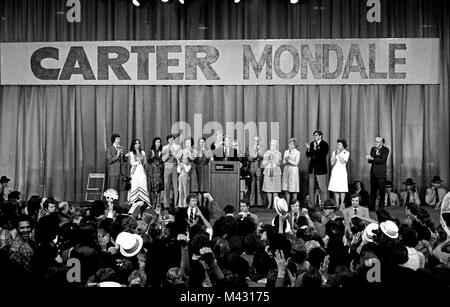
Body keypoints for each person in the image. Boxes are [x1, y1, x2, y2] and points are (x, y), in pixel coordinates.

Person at [305, 130, 329, 207]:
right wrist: (309, 149)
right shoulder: (312, 143)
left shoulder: (324, 144)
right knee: (311, 187)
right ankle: (312, 204)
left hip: (321, 168)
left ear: (320, 136)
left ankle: (324, 204)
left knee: (322, 188)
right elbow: (308, 155)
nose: (314, 137)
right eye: (314, 135)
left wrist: (315, 149)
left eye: (316, 135)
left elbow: (322, 155)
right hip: (312, 168)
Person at [366, 137, 389, 211]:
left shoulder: (385, 150)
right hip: (373, 173)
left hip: (381, 174)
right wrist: (369, 158)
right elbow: (370, 161)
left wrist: (372, 158)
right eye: (375, 141)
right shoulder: (373, 149)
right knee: (373, 192)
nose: (376, 143)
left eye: (378, 142)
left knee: (381, 193)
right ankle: (371, 207)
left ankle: (381, 208)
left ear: (382, 143)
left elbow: (382, 160)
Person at [328, 139, 350, 211]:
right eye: (337, 144)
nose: (338, 146)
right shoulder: (334, 152)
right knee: (335, 188)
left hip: (342, 172)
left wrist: (339, 155)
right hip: (335, 171)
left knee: (342, 189)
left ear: (343, 145)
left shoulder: (346, 153)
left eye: (339, 144)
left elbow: (343, 162)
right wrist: (334, 156)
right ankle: (337, 204)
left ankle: (341, 204)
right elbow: (332, 163)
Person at [126, 139, 150, 205]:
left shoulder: (142, 152)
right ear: (133, 145)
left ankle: (143, 201)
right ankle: (133, 201)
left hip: (141, 170)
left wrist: (144, 160)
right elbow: (132, 163)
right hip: (135, 170)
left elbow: (145, 162)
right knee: (134, 184)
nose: (138, 145)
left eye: (139, 143)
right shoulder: (131, 153)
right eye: (136, 143)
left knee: (142, 183)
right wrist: (139, 162)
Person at [262, 140, 282, 210]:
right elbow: (263, 163)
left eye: (274, 145)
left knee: (275, 189)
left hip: (276, 171)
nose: (272, 146)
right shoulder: (266, 153)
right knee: (268, 189)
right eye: (271, 145)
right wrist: (268, 160)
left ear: (276, 146)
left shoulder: (279, 153)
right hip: (268, 171)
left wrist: (274, 156)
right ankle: (269, 203)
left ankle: (274, 204)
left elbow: (278, 163)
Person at [246, 136, 265, 207]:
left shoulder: (262, 147)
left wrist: (258, 154)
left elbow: (263, 156)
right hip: (251, 168)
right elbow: (248, 157)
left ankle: (260, 203)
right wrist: (253, 157)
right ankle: (251, 202)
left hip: (259, 167)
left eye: (257, 141)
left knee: (259, 185)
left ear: (259, 141)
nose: (256, 142)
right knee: (252, 185)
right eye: (255, 140)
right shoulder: (250, 147)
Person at [162, 135, 180, 208]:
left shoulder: (177, 147)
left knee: (176, 186)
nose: (171, 140)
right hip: (167, 166)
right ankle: (166, 204)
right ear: (167, 140)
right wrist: (167, 153)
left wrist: (173, 152)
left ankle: (176, 204)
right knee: (166, 185)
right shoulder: (164, 147)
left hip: (175, 166)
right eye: (170, 139)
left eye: (172, 139)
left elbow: (178, 157)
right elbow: (163, 159)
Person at [282, 138, 301, 205]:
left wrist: (289, 160)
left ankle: (294, 203)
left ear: (295, 145)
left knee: (294, 188)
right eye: (289, 143)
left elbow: (296, 163)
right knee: (286, 187)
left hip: (293, 170)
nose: (290, 145)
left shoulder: (297, 152)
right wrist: (286, 161)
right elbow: (283, 162)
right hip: (287, 169)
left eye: (292, 144)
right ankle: (287, 204)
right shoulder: (286, 152)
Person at [147, 137, 164, 206]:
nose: (158, 144)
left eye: (159, 142)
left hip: (159, 169)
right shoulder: (151, 150)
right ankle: (153, 202)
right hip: (152, 170)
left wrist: (160, 155)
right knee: (153, 186)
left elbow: (162, 160)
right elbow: (149, 160)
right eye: (157, 142)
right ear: (154, 143)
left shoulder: (161, 151)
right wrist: (153, 155)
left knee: (159, 186)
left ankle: (158, 202)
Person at [194, 137, 212, 202]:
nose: (201, 143)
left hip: (206, 169)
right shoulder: (196, 150)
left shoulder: (208, 150)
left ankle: (204, 204)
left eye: (203, 142)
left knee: (205, 187)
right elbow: (194, 160)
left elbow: (210, 160)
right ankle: (199, 203)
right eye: (200, 142)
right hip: (198, 169)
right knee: (198, 187)